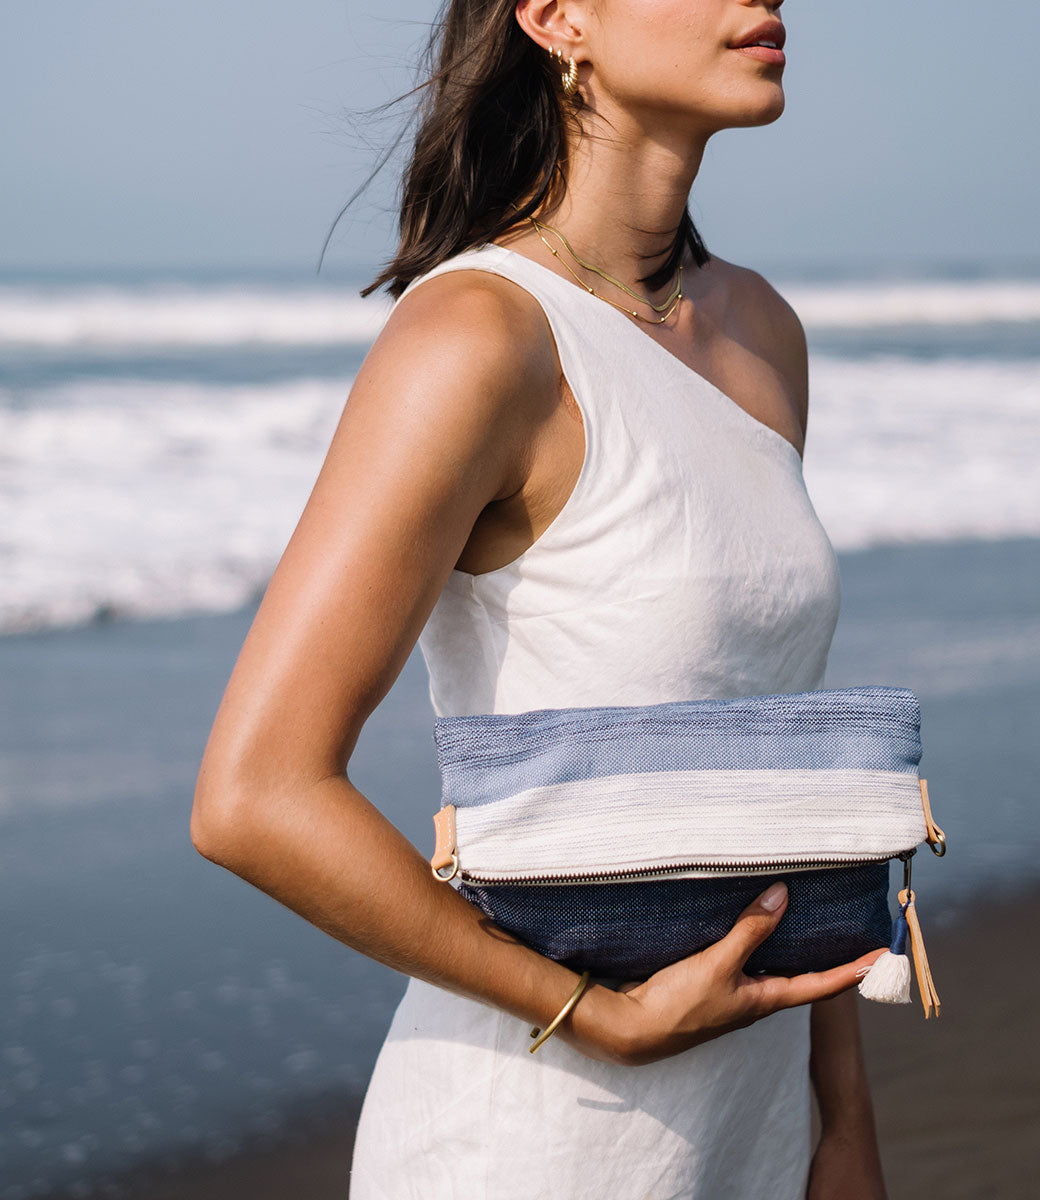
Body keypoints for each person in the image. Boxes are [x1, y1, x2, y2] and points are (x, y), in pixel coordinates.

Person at [192, 0, 892, 1194]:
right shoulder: (480, 338)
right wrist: (596, 1013)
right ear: (556, 17)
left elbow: (782, 792)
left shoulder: (759, 331)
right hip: (536, 1133)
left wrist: (843, 1129)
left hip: (751, 1128)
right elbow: (254, 798)